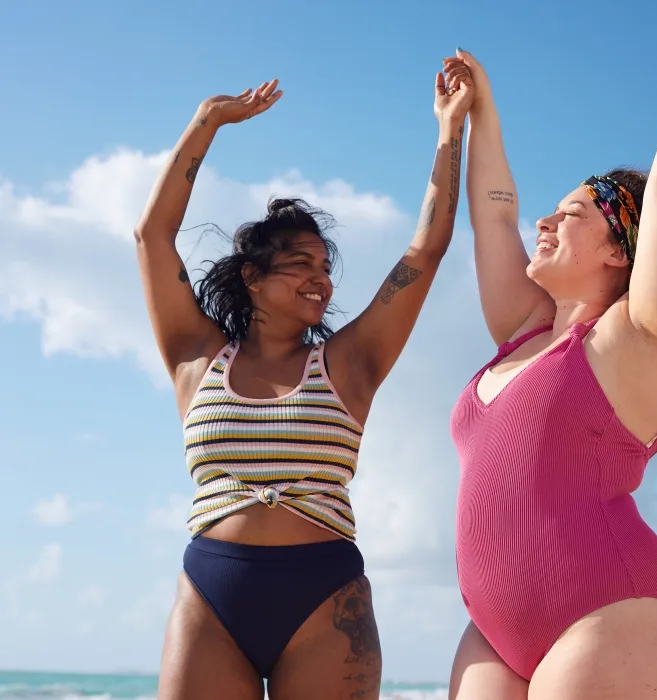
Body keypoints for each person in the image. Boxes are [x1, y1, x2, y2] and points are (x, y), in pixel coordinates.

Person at [134, 68, 473, 700]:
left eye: (325, 266)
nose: (320, 278)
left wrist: (450, 129)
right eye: (300, 264)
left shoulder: (349, 364)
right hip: (212, 593)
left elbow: (425, 251)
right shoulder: (196, 357)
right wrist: (208, 120)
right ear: (253, 279)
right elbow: (152, 237)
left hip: (324, 599)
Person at [444, 1, 657, 698]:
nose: (544, 221)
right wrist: (480, 112)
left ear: (619, 249)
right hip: (493, 630)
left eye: (572, 213)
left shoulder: (636, 341)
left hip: (613, 618)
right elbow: (493, 210)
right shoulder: (523, 329)